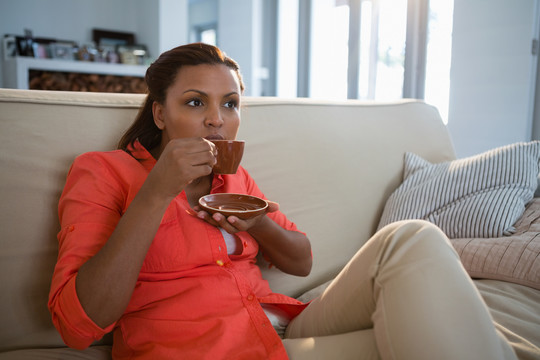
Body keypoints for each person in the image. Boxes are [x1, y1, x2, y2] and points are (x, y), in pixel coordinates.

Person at [48, 43, 517, 360]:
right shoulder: (104, 171)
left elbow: (301, 261)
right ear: (159, 113)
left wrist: (257, 225)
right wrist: (155, 193)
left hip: (285, 326)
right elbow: (79, 326)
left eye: (229, 104)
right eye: (195, 103)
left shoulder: (233, 177)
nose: (216, 120)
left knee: (410, 239)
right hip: (205, 348)